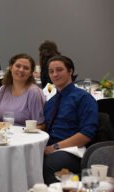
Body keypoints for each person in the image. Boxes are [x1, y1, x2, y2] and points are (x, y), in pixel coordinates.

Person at [43, 55, 98, 185]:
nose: (55, 74)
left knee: (48, 164)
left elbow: (87, 134)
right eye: (51, 71)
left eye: (59, 70)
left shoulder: (83, 98)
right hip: (49, 147)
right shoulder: (50, 102)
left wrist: (55, 147)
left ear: (70, 71)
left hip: (73, 150)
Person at [0, 53, 45, 128]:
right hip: (3, 134)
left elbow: (41, 125)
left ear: (31, 73)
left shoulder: (34, 92)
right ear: (11, 67)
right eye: (18, 66)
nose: (21, 70)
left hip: (26, 137)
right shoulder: (2, 89)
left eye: (26, 68)